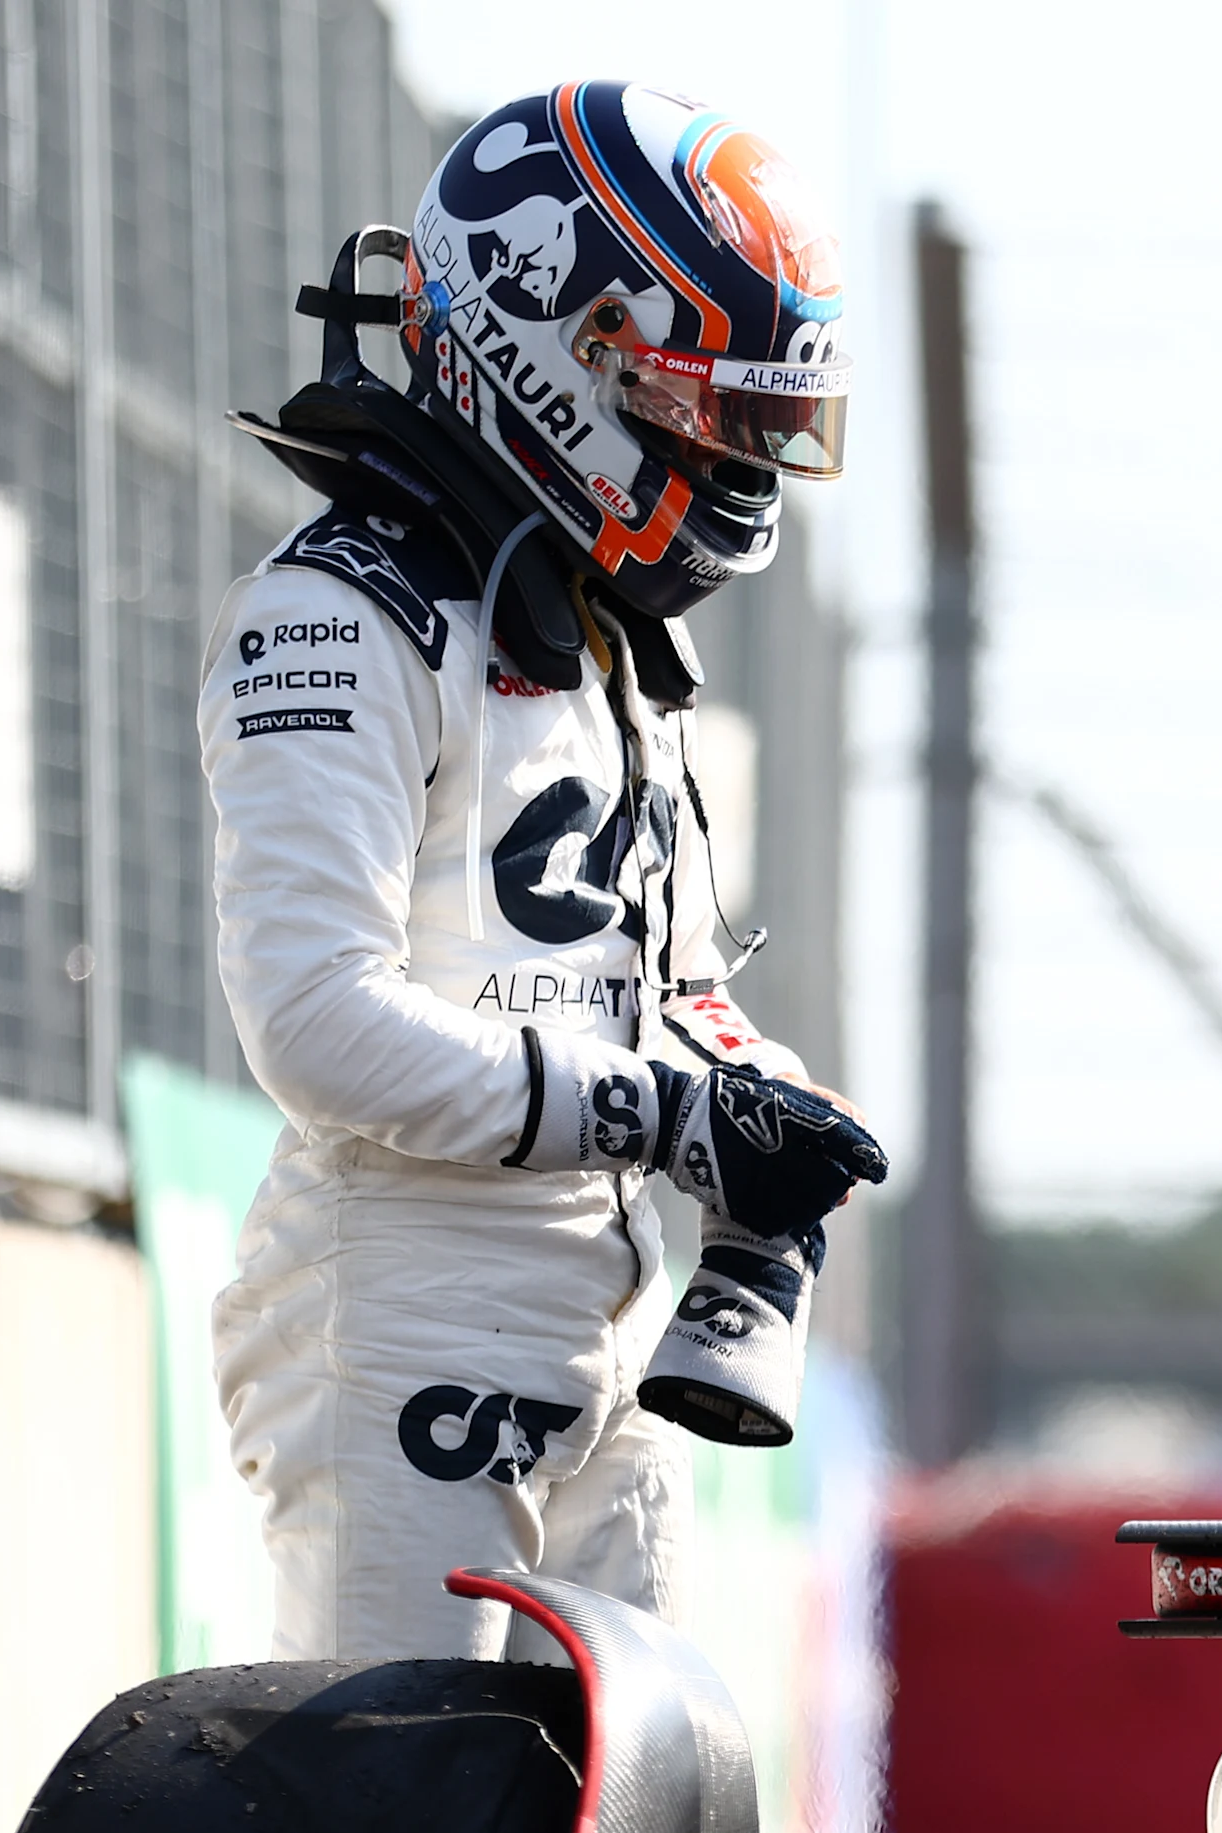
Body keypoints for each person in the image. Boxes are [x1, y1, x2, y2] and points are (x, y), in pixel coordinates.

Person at [200, 81, 885, 1662]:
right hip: (408, 1305)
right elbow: (311, 1020)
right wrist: (656, 1108)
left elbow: (664, 989)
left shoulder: (609, 639)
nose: (739, 464)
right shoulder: (334, 612)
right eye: (707, 409)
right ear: (553, 348)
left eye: (759, 421)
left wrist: (757, 1110)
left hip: (615, 1314)